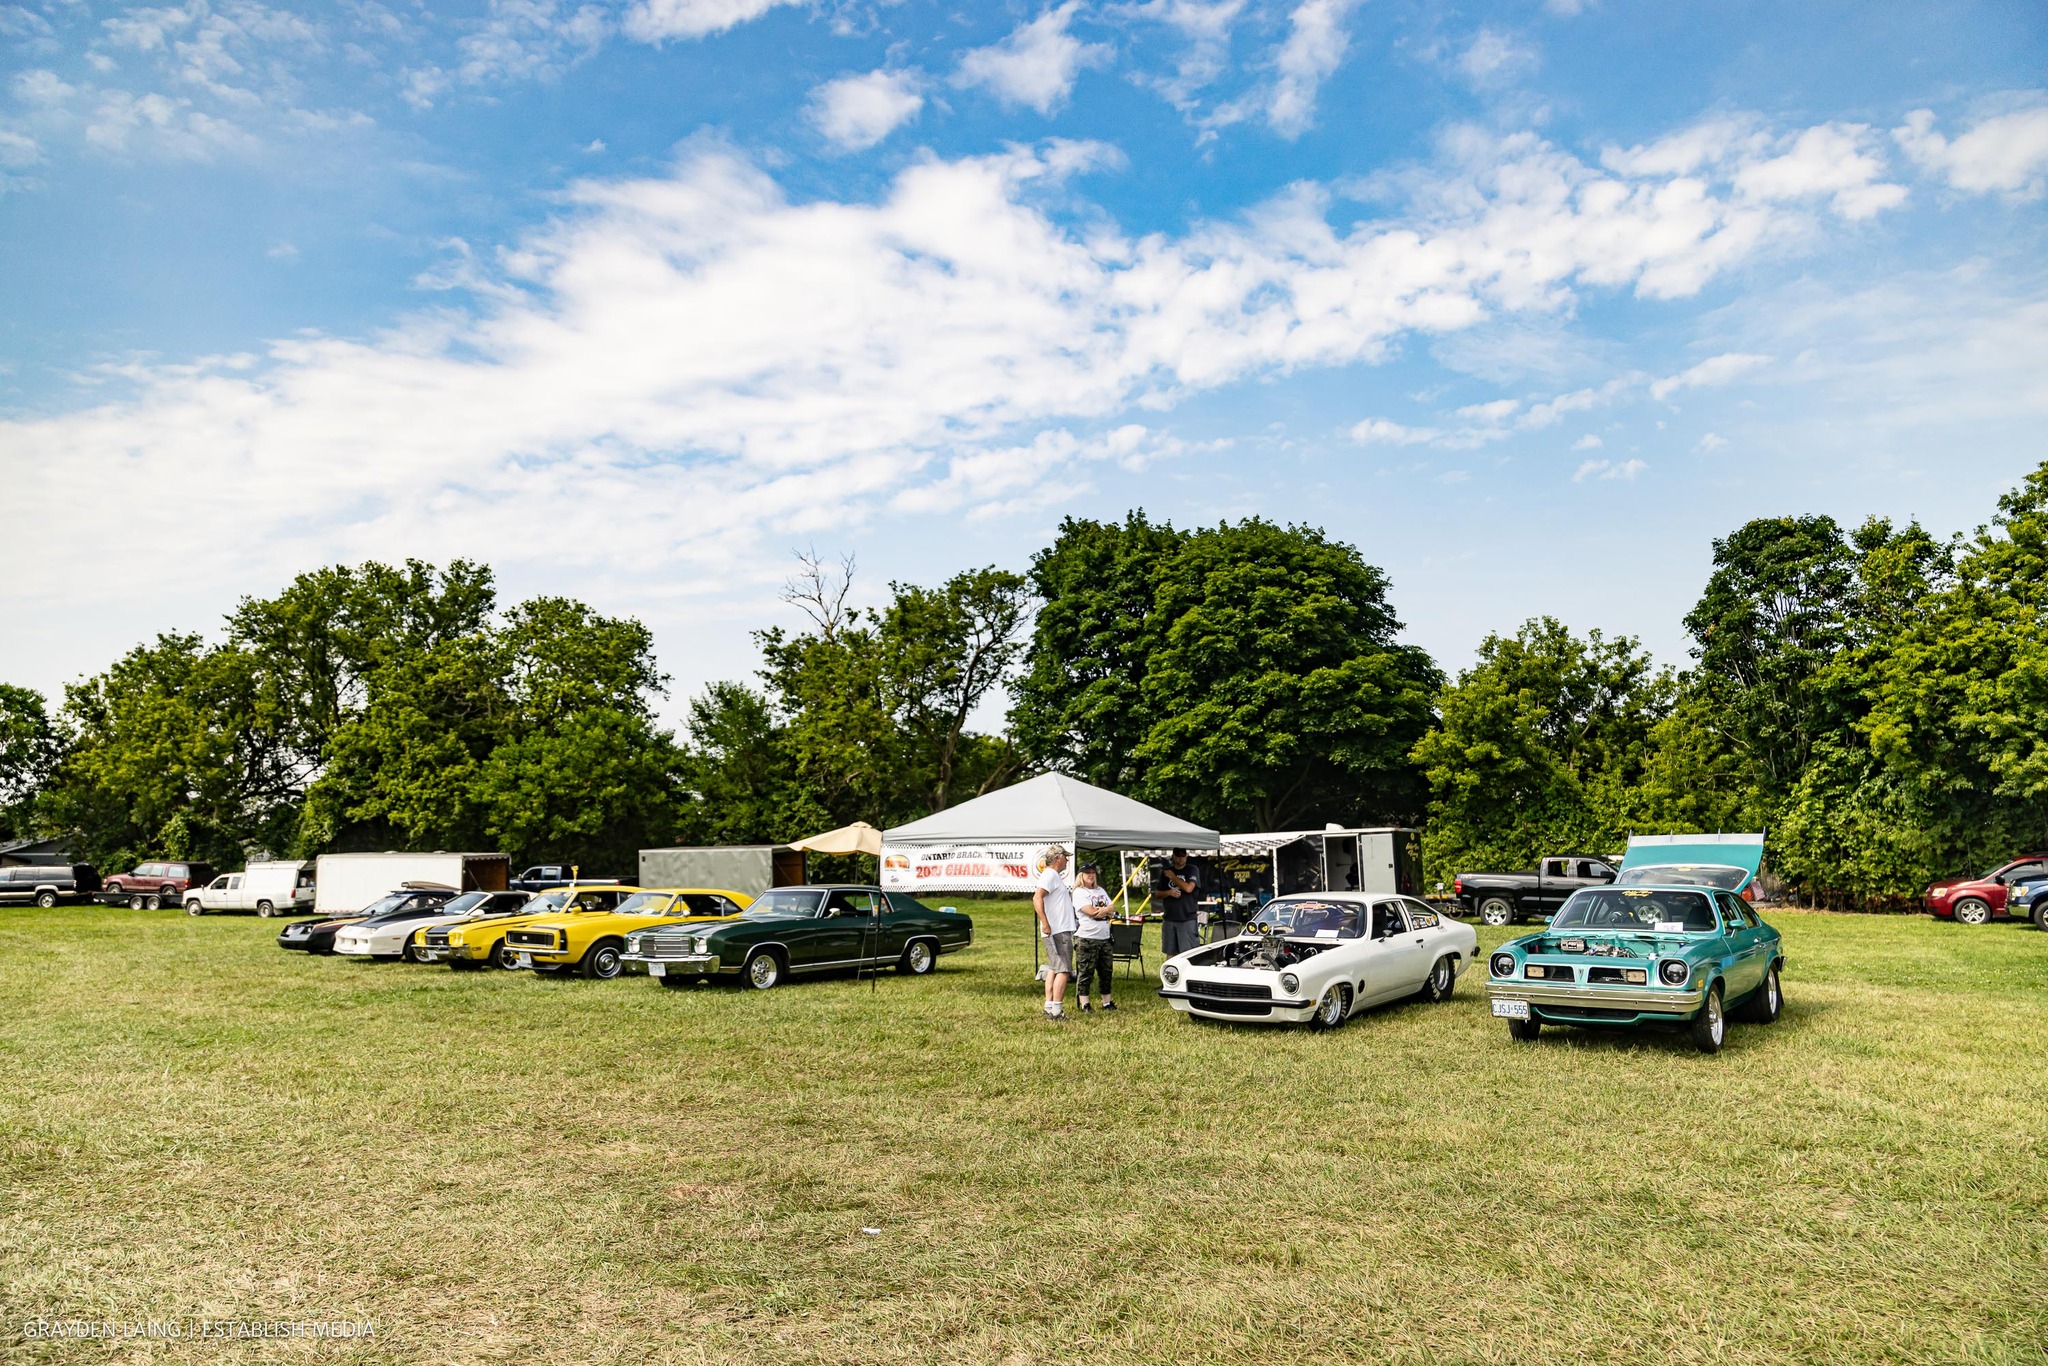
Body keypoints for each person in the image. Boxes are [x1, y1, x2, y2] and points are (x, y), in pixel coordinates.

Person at [1033, 845, 1076, 1021]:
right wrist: (1045, 922)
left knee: (1054, 968)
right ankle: (1057, 1012)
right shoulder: (1050, 875)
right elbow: (1037, 897)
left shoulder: (1053, 876)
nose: (1067, 860)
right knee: (1064, 970)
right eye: (1065, 856)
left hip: (1057, 929)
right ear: (1058, 858)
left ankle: (1049, 1005)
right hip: (1057, 931)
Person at [1070, 862, 1116, 1012]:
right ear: (1081, 875)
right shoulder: (1079, 892)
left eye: (1093, 872)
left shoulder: (1100, 890)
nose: (1091, 875)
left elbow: (1113, 908)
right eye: (1087, 872)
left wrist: (1103, 911)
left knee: (1106, 972)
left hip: (1104, 937)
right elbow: (1091, 912)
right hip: (1087, 937)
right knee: (1086, 972)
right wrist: (1105, 910)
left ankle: (1107, 1002)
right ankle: (1085, 1003)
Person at [1155, 848, 1202, 958]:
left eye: (1183, 855)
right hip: (1169, 918)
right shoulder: (1166, 872)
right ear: (1173, 856)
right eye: (1178, 855)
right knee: (1170, 952)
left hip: (1186, 918)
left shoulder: (1192, 869)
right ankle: (1169, 969)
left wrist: (1173, 877)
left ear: (1186, 856)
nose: (1180, 858)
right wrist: (1169, 892)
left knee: (1187, 953)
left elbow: (1189, 888)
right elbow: (1157, 893)